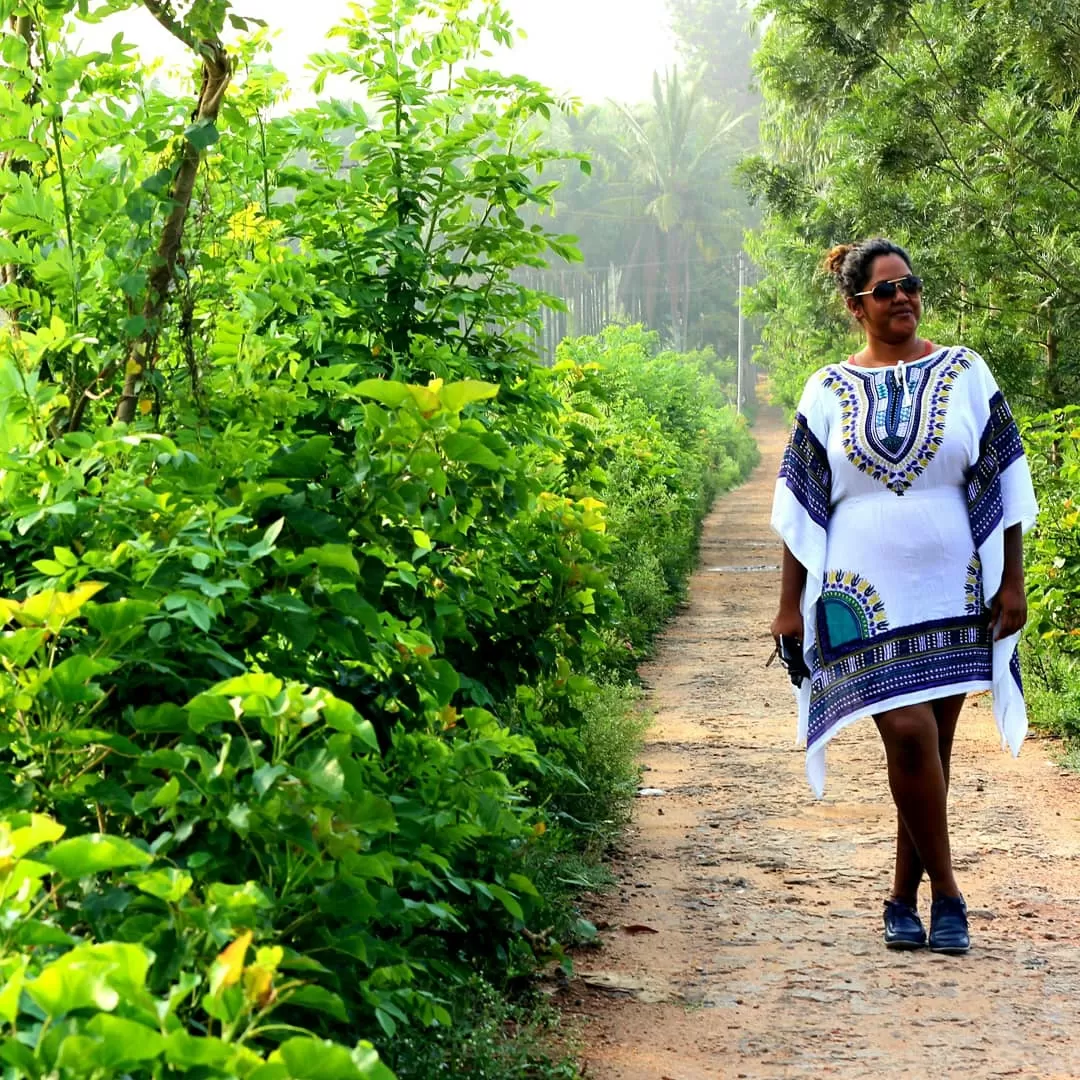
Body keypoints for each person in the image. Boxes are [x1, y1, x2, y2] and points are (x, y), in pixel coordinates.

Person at [770, 238, 1037, 955]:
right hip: (858, 594)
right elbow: (802, 503)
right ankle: (950, 896)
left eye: (910, 285)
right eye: (885, 290)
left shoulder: (966, 371)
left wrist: (1012, 579)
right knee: (912, 737)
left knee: (931, 752)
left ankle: (900, 898)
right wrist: (789, 604)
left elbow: (1004, 479)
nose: (902, 298)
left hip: (955, 585)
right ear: (856, 305)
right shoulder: (825, 388)